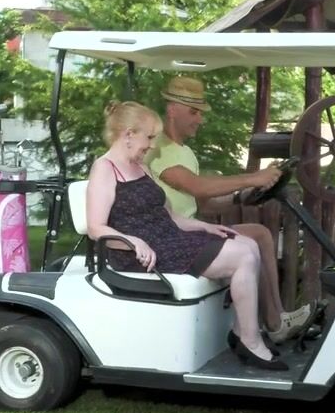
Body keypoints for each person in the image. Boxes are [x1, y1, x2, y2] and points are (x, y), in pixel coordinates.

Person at [86, 101, 287, 371]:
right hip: (139, 255)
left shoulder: (140, 167)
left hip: (167, 241)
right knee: (242, 256)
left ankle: (244, 332)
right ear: (128, 134)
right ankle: (249, 341)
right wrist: (133, 241)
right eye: (149, 137)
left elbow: (169, 216)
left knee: (248, 244)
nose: (152, 145)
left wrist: (204, 227)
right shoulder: (105, 168)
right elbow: (96, 227)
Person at [146, 76, 311, 344]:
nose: (200, 119)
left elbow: (204, 203)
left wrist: (241, 197)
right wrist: (253, 178)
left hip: (191, 229)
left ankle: (277, 320)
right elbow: (198, 186)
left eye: (200, 113)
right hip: (174, 236)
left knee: (259, 233)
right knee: (251, 243)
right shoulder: (160, 149)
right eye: (194, 112)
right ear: (172, 109)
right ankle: (268, 325)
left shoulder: (185, 152)